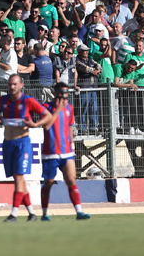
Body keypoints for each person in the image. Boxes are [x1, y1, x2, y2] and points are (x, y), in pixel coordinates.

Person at [0, 74, 52, 223]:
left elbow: (47, 115)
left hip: (22, 144)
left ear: (21, 85)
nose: (12, 87)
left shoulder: (28, 101)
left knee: (18, 178)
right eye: (10, 84)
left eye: (15, 84)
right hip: (7, 143)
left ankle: (14, 214)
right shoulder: (2, 101)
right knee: (19, 180)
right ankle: (31, 213)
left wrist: (36, 125)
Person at [40, 83, 90, 221]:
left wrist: (72, 145)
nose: (64, 97)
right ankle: (45, 213)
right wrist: (57, 110)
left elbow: (69, 128)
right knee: (48, 182)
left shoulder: (69, 108)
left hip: (66, 151)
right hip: (50, 152)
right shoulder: (46, 108)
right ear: (56, 93)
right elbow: (46, 126)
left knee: (71, 179)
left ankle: (79, 212)